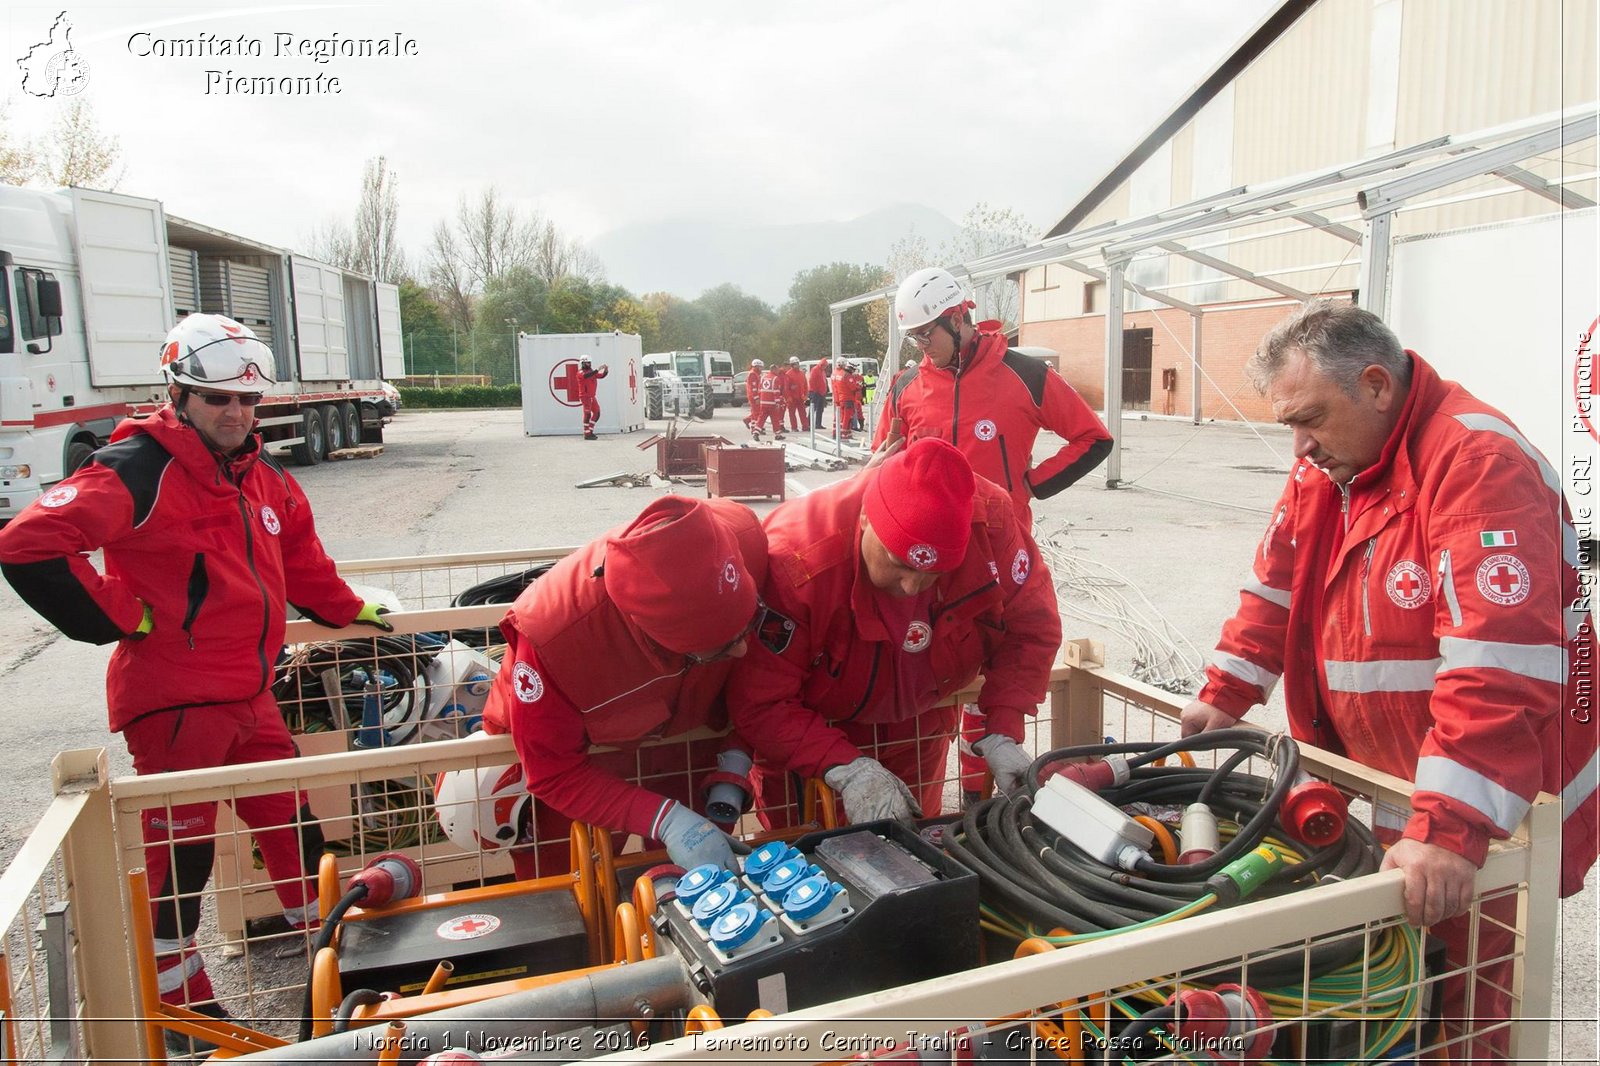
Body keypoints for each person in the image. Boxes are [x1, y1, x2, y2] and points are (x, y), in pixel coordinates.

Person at [1178, 302, 1597, 1058]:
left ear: (1376, 385)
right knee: (1388, 984)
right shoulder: (1330, 466)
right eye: (1288, 428)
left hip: (1490, 796)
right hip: (1387, 781)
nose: (1300, 447)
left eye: (1309, 419)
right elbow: (1276, 585)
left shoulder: (1478, 465)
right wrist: (1225, 691)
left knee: (1472, 995)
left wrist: (1449, 828)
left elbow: (1496, 664)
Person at [0, 314, 393, 1044]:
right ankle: (182, 1008)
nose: (238, 415)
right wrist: (125, 617)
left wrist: (357, 609)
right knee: (182, 860)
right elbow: (26, 544)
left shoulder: (264, 475)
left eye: (248, 402)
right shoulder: (136, 469)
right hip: (173, 702)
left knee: (295, 829)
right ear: (178, 394)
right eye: (219, 401)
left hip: (251, 696)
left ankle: (343, 966)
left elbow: (303, 566)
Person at [727, 438, 1062, 825]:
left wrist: (1004, 725)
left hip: (920, 726)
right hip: (810, 735)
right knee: (808, 859)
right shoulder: (798, 561)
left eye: (934, 574)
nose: (910, 587)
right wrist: (844, 767)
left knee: (917, 846)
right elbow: (760, 698)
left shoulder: (993, 526)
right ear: (867, 517)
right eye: (897, 562)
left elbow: (1031, 628)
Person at [450, 495, 770, 879]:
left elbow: (761, 676)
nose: (741, 649)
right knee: (567, 883)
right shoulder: (550, 640)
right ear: (654, 637)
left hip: (685, 728)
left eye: (747, 625)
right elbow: (555, 772)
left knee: (702, 868)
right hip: (574, 752)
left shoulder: (742, 537)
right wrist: (665, 820)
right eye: (721, 644)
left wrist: (734, 755)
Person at [879, 267, 1112, 526]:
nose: (921, 346)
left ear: (956, 320)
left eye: (925, 334)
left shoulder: (1027, 375)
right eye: (913, 338)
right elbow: (882, 461)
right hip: (931, 537)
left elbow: (1095, 439)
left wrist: (1036, 484)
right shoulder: (905, 385)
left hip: (1000, 539)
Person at [576, 356, 609, 440]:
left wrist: (606, 370)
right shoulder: (580, 372)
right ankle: (586, 433)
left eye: (590, 362)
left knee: (597, 413)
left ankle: (590, 431)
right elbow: (586, 376)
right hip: (585, 397)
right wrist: (597, 369)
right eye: (587, 362)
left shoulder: (591, 372)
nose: (589, 364)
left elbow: (601, 376)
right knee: (587, 414)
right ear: (583, 363)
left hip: (592, 396)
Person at [757, 360, 787, 439]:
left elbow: (759, 390)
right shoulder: (775, 379)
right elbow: (776, 392)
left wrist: (760, 400)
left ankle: (756, 432)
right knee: (775, 419)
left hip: (763, 402)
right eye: (777, 370)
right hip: (771, 403)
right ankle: (777, 435)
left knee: (761, 418)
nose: (778, 371)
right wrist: (777, 403)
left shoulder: (763, 377)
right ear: (773, 370)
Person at [783, 356, 809, 431]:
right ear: (791, 365)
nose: (796, 365)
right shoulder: (788, 374)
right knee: (792, 413)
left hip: (800, 397)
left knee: (803, 413)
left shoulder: (801, 373)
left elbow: (805, 385)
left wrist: (806, 395)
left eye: (797, 363)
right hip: (792, 398)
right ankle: (794, 427)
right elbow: (786, 388)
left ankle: (805, 426)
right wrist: (788, 397)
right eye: (795, 364)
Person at [807, 357, 831, 430]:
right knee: (813, 408)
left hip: (821, 393)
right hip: (815, 392)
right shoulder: (815, 370)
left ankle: (818, 424)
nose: (825, 367)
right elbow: (812, 381)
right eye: (825, 366)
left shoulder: (822, 371)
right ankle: (809, 423)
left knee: (820, 409)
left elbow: (823, 381)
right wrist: (816, 390)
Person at [744, 359, 766, 434]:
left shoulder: (755, 373)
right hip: (754, 397)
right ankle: (756, 428)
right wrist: (756, 397)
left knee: (755, 412)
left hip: (754, 396)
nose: (761, 369)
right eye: (760, 367)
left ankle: (754, 426)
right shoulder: (753, 374)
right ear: (756, 366)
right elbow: (753, 387)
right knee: (757, 413)